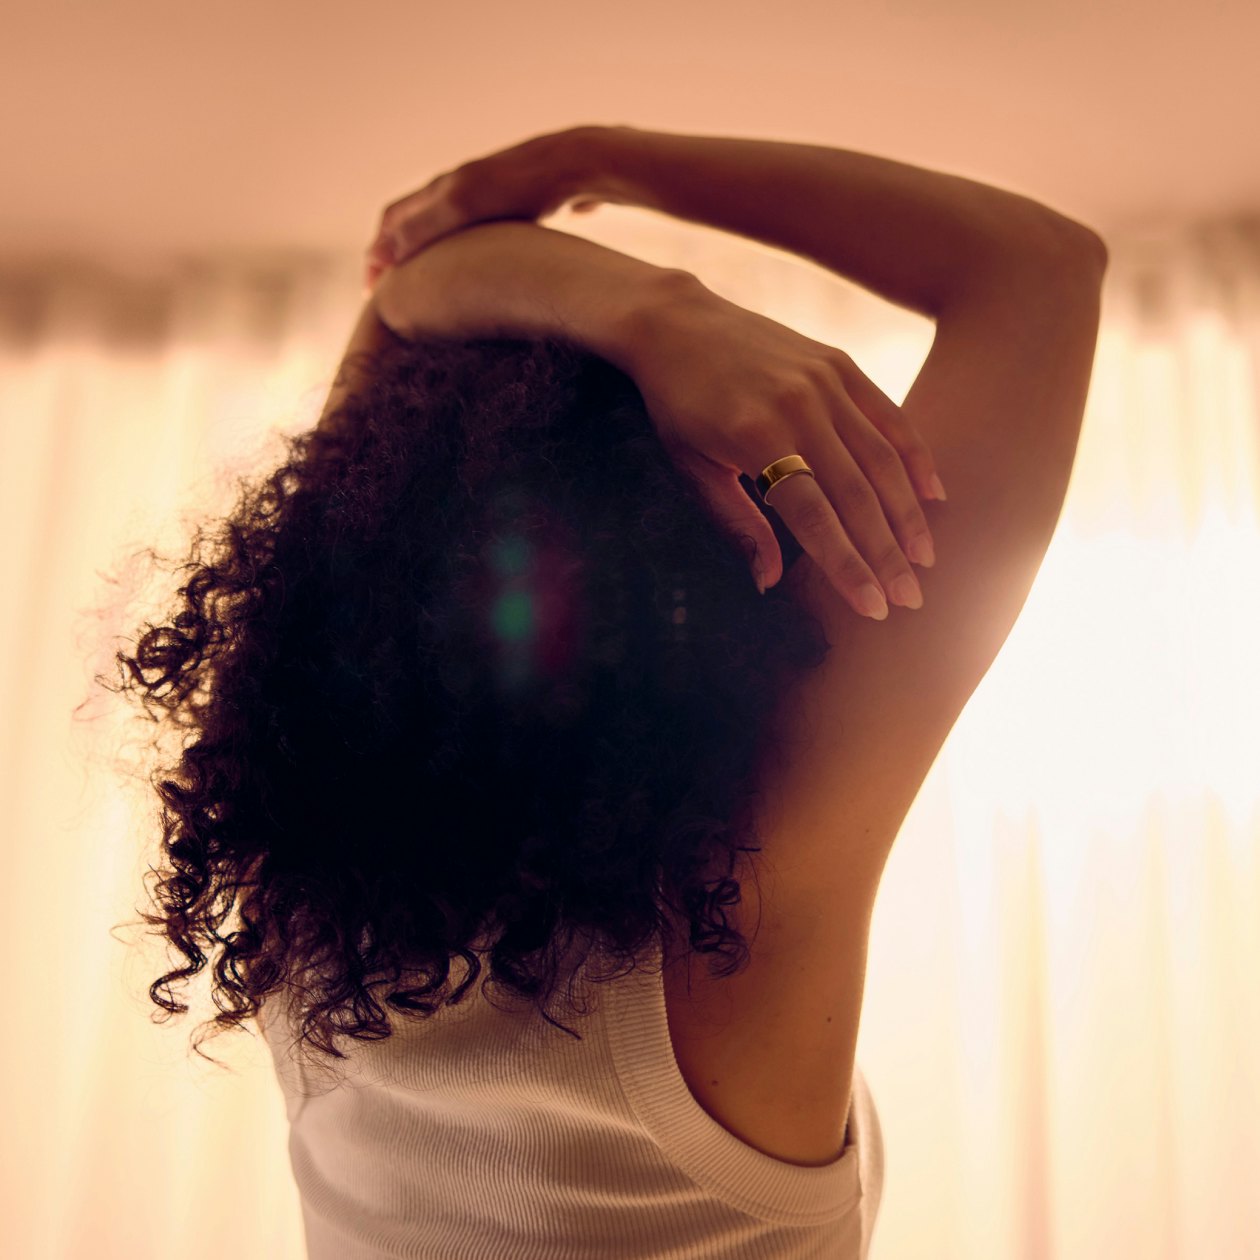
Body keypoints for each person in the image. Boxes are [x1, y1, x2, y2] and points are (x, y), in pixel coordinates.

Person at [110, 125, 1106, 1259]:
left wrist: (660, 321)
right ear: (706, 570)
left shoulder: (299, 884)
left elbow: (410, 299)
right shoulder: (737, 903)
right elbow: (1036, 266)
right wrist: (599, 164)